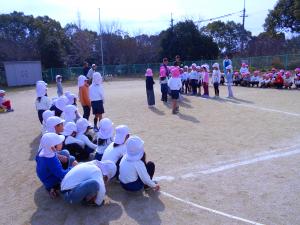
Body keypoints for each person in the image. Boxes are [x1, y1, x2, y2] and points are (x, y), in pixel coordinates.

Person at [35, 133, 77, 198]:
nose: (62, 142)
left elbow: (37, 159)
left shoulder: (42, 151)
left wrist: (57, 156)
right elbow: (62, 174)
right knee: (72, 162)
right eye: (60, 142)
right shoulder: (51, 160)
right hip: (52, 180)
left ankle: (51, 187)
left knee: (69, 158)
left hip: (45, 177)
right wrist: (72, 167)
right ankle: (53, 188)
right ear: (53, 147)